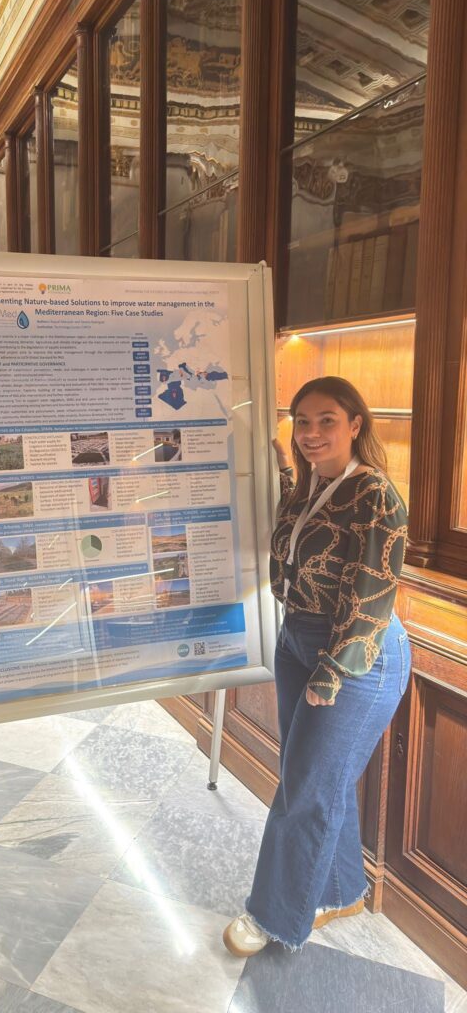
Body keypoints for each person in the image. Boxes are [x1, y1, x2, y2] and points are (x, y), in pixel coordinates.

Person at [223, 376, 410, 957]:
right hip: (297, 638)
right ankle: (340, 891)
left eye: (327, 420)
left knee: (305, 788)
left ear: (356, 424)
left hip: (355, 654)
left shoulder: (374, 494)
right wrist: (277, 461)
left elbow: (373, 589)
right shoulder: (312, 487)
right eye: (301, 421)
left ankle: (273, 916)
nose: (311, 432)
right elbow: (296, 528)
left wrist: (334, 670)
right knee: (319, 777)